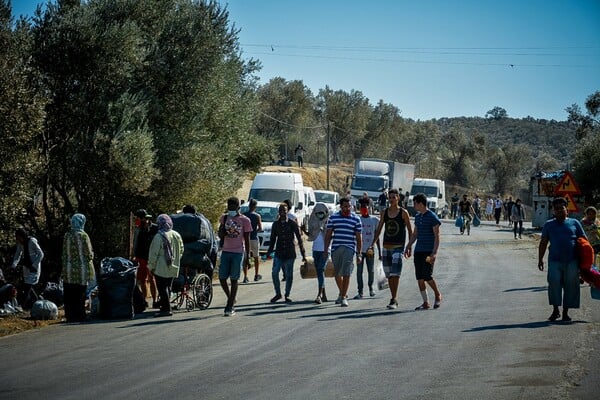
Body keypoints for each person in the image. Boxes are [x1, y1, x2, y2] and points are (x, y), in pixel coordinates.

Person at [538, 197, 586, 322]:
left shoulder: (575, 223)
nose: (559, 210)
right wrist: (540, 259)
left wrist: (585, 263)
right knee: (554, 284)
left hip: (572, 260)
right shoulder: (549, 225)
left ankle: (565, 312)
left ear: (567, 210)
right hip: (554, 260)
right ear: (554, 211)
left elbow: (584, 242)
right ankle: (555, 310)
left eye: (562, 208)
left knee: (571, 286)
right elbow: (543, 242)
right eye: (557, 209)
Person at [371, 188, 412, 309]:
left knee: (395, 274)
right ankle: (393, 297)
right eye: (390, 197)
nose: (392, 200)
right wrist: (372, 244)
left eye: (394, 197)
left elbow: (410, 230)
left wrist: (409, 247)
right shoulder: (384, 212)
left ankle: (394, 298)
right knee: (389, 275)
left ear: (398, 198)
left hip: (398, 247)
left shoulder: (403, 213)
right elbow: (379, 230)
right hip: (386, 247)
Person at [405, 193, 443, 310]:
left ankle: (437, 294)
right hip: (419, 251)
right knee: (420, 277)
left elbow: (437, 236)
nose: (414, 205)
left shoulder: (432, 216)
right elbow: (415, 233)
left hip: (428, 251)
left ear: (420, 203)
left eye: (415, 203)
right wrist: (409, 245)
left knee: (427, 275)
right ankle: (425, 302)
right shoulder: (417, 216)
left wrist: (434, 253)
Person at [323, 197, 362, 307]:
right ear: (341, 207)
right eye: (345, 206)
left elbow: (359, 238)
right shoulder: (333, 218)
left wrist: (359, 253)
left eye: (349, 206)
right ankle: (342, 292)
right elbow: (328, 235)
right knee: (337, 273)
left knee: (346, 273)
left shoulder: (356, 219)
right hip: (336, 249)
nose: (348, 208)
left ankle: (344, 297)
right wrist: (325, 250)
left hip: (349, 248)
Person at [217, 197, 252, 316]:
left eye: (233, 207)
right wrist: (223, 233)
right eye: (229, 207)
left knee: (234, 279)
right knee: (222, 278)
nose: (231, 209)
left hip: (238, 252)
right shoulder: (224, 218)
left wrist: (248, 256)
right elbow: (220, 233)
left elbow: (247, 240)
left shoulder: (245, 220)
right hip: (226, 251)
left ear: (238, 207)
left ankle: (230, 306)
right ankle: (231, 297)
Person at [267, 203, 306, 303]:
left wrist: (303, 254)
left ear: (287, 211)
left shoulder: (292, 223)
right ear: (278, 212)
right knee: (274, 273)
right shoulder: (275, 224)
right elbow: (272, 239)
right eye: (280, 211)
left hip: (290, 253)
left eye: (284, 210)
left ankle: (287, 294)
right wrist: (269, 252)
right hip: (279, 252)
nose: (282, 213)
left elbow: (299, 239)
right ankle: (278, 293)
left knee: (289, 275)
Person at [148, 214, 184, 318]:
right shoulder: (176, 235)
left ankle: (166, 309)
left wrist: (150, 267)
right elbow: (181, 250)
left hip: (161, 267)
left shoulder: (159, 236)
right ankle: (165, 307)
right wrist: (176, 260)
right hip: (173, 266)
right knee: (168, 287)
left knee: (162, 288)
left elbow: (153, 254)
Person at [61, 214, 95, 323]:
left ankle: (70, 315)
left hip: (68, 270)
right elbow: (88, 254)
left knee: (69, 293)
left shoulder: (67, 235)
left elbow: (64, 253)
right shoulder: (83, 236)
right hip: (81, 270)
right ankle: (80, 315)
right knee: (80, 293)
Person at [353, 200, 380, 299]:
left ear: (370, 208)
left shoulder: (374, 220)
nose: (364, 209)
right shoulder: (357, 219)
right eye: (362, 208)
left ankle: (371, 288)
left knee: (371, 270)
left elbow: (377, 237)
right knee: (359, 271)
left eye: (366, 207)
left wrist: (379, 252)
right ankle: (360, 291)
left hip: (370, 250)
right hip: (359, 250)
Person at [11, 228, 44, 308]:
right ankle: (37, 303)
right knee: (29, 286)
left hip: (34, 267)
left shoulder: (32, 241)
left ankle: (22, 306)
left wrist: (34, 265)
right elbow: (18, 254)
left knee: (27, 287)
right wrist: (14, 265)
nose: (18, 239)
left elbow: (41, 254)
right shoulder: (20, 244)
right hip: (26, 267)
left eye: (19, 237)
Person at [133, 209, 159, 308]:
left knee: (152, 279)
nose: (136, 220)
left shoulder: (155, 228)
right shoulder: (138, 228)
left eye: (137, 218)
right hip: (140, 257)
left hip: (151, 257)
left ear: (143, 218)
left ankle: (155, 300)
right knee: (142, 280)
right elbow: (135, 242)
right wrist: (134, 255)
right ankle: (144, 301)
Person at [305, 202, 330, 303]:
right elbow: (311, 234)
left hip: (325, 250)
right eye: (318, 212)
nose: (320, 214)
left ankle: (319, 295)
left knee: (320, 269)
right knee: (320, 272)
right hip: (315, 250)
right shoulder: (313, 221)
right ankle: (324, 295)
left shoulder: (329, 222)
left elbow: (331, 235)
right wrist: (304, 231)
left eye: (321, 213)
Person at [243, 199, 263, 283]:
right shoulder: (257, 216)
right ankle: (256, 274)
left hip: (245, 239)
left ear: (249, 206)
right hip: (254, 238)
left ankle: (245, 276)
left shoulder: (244, 215)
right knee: (256, 257)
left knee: (245, 257)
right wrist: (255, 231)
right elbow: (260, 228)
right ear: (255, 207)